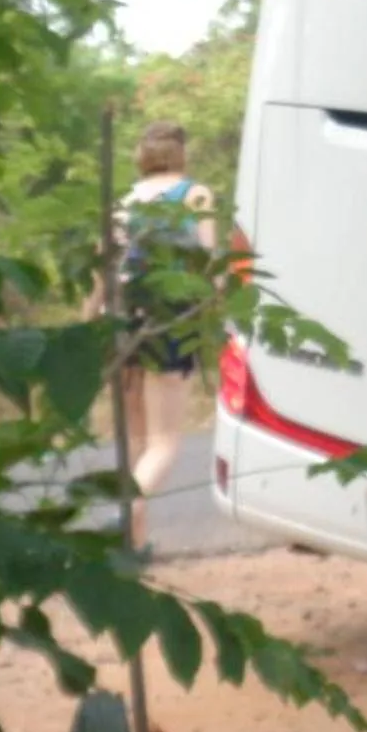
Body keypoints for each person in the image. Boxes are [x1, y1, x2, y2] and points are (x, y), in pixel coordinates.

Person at [113, 120, 230, 550]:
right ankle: (122, 515)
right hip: (172, 319)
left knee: (136, 440)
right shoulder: (194, 195)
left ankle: (134, 546)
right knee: (164, 443)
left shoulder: (124, 202)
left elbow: (103, 270)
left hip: (124, 319)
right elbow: (207, 268)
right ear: (181, 152)